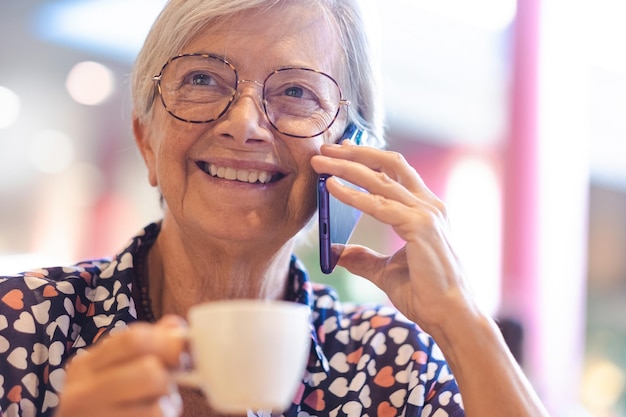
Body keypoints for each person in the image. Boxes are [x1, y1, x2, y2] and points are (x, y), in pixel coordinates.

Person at [0, 0, 550, 416]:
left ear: (352, 152)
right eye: (202, 79)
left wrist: (464, 323)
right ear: (147, 141)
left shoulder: (394, 365)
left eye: (295, 92)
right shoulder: (20, 326)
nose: (243, 123)